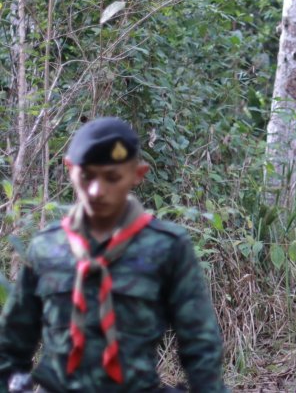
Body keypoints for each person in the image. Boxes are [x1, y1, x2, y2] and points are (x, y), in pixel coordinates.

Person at [0, 117, 228, 393]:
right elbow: (12, 343)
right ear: (70, 169)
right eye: (87, 176)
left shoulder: (166, 247)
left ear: (137, 174)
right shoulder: (47, 247)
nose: (97, 190)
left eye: (112, 177)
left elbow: (199, 343)